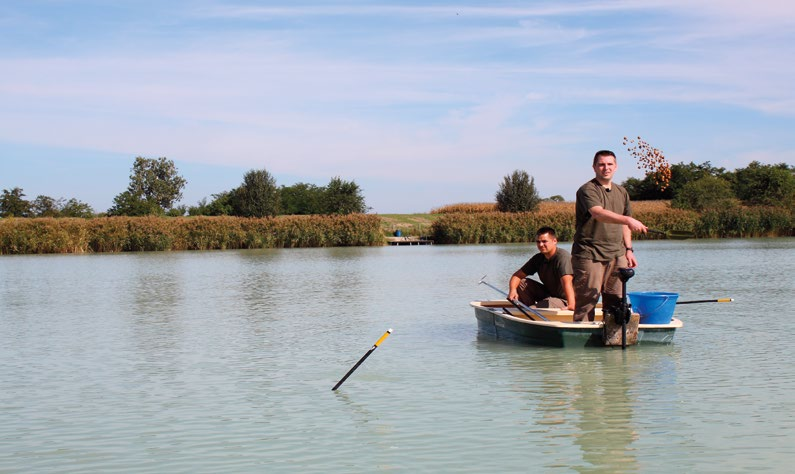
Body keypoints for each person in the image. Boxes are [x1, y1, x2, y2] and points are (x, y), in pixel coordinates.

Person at [572, 150, 647, 322]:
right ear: (594, 167)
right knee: (587, 301)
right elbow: (598, 213)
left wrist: (628, 249)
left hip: (617, 254)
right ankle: (582, 341)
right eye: (601, 164)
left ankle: (612, 339)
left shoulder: (622, 192)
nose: (606, 168)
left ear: (616, 166)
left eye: (610, 164)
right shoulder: (587, 190)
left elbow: (625, 226)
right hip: (590, 254)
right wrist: (628, 219)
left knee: (616, 301)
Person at [507, 226, 575, 310]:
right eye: (538, 242)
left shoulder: (562, 257)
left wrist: (571, 304)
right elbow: (517, 275)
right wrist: (512, 290)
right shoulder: (538, 258)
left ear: (554, 241)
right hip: (549, 295)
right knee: (521, 282)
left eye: (544, 241)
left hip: (565, 299)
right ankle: (526, 309)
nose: (541, 245)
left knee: (539, 306)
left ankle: (530, 310)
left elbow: (567, 282)